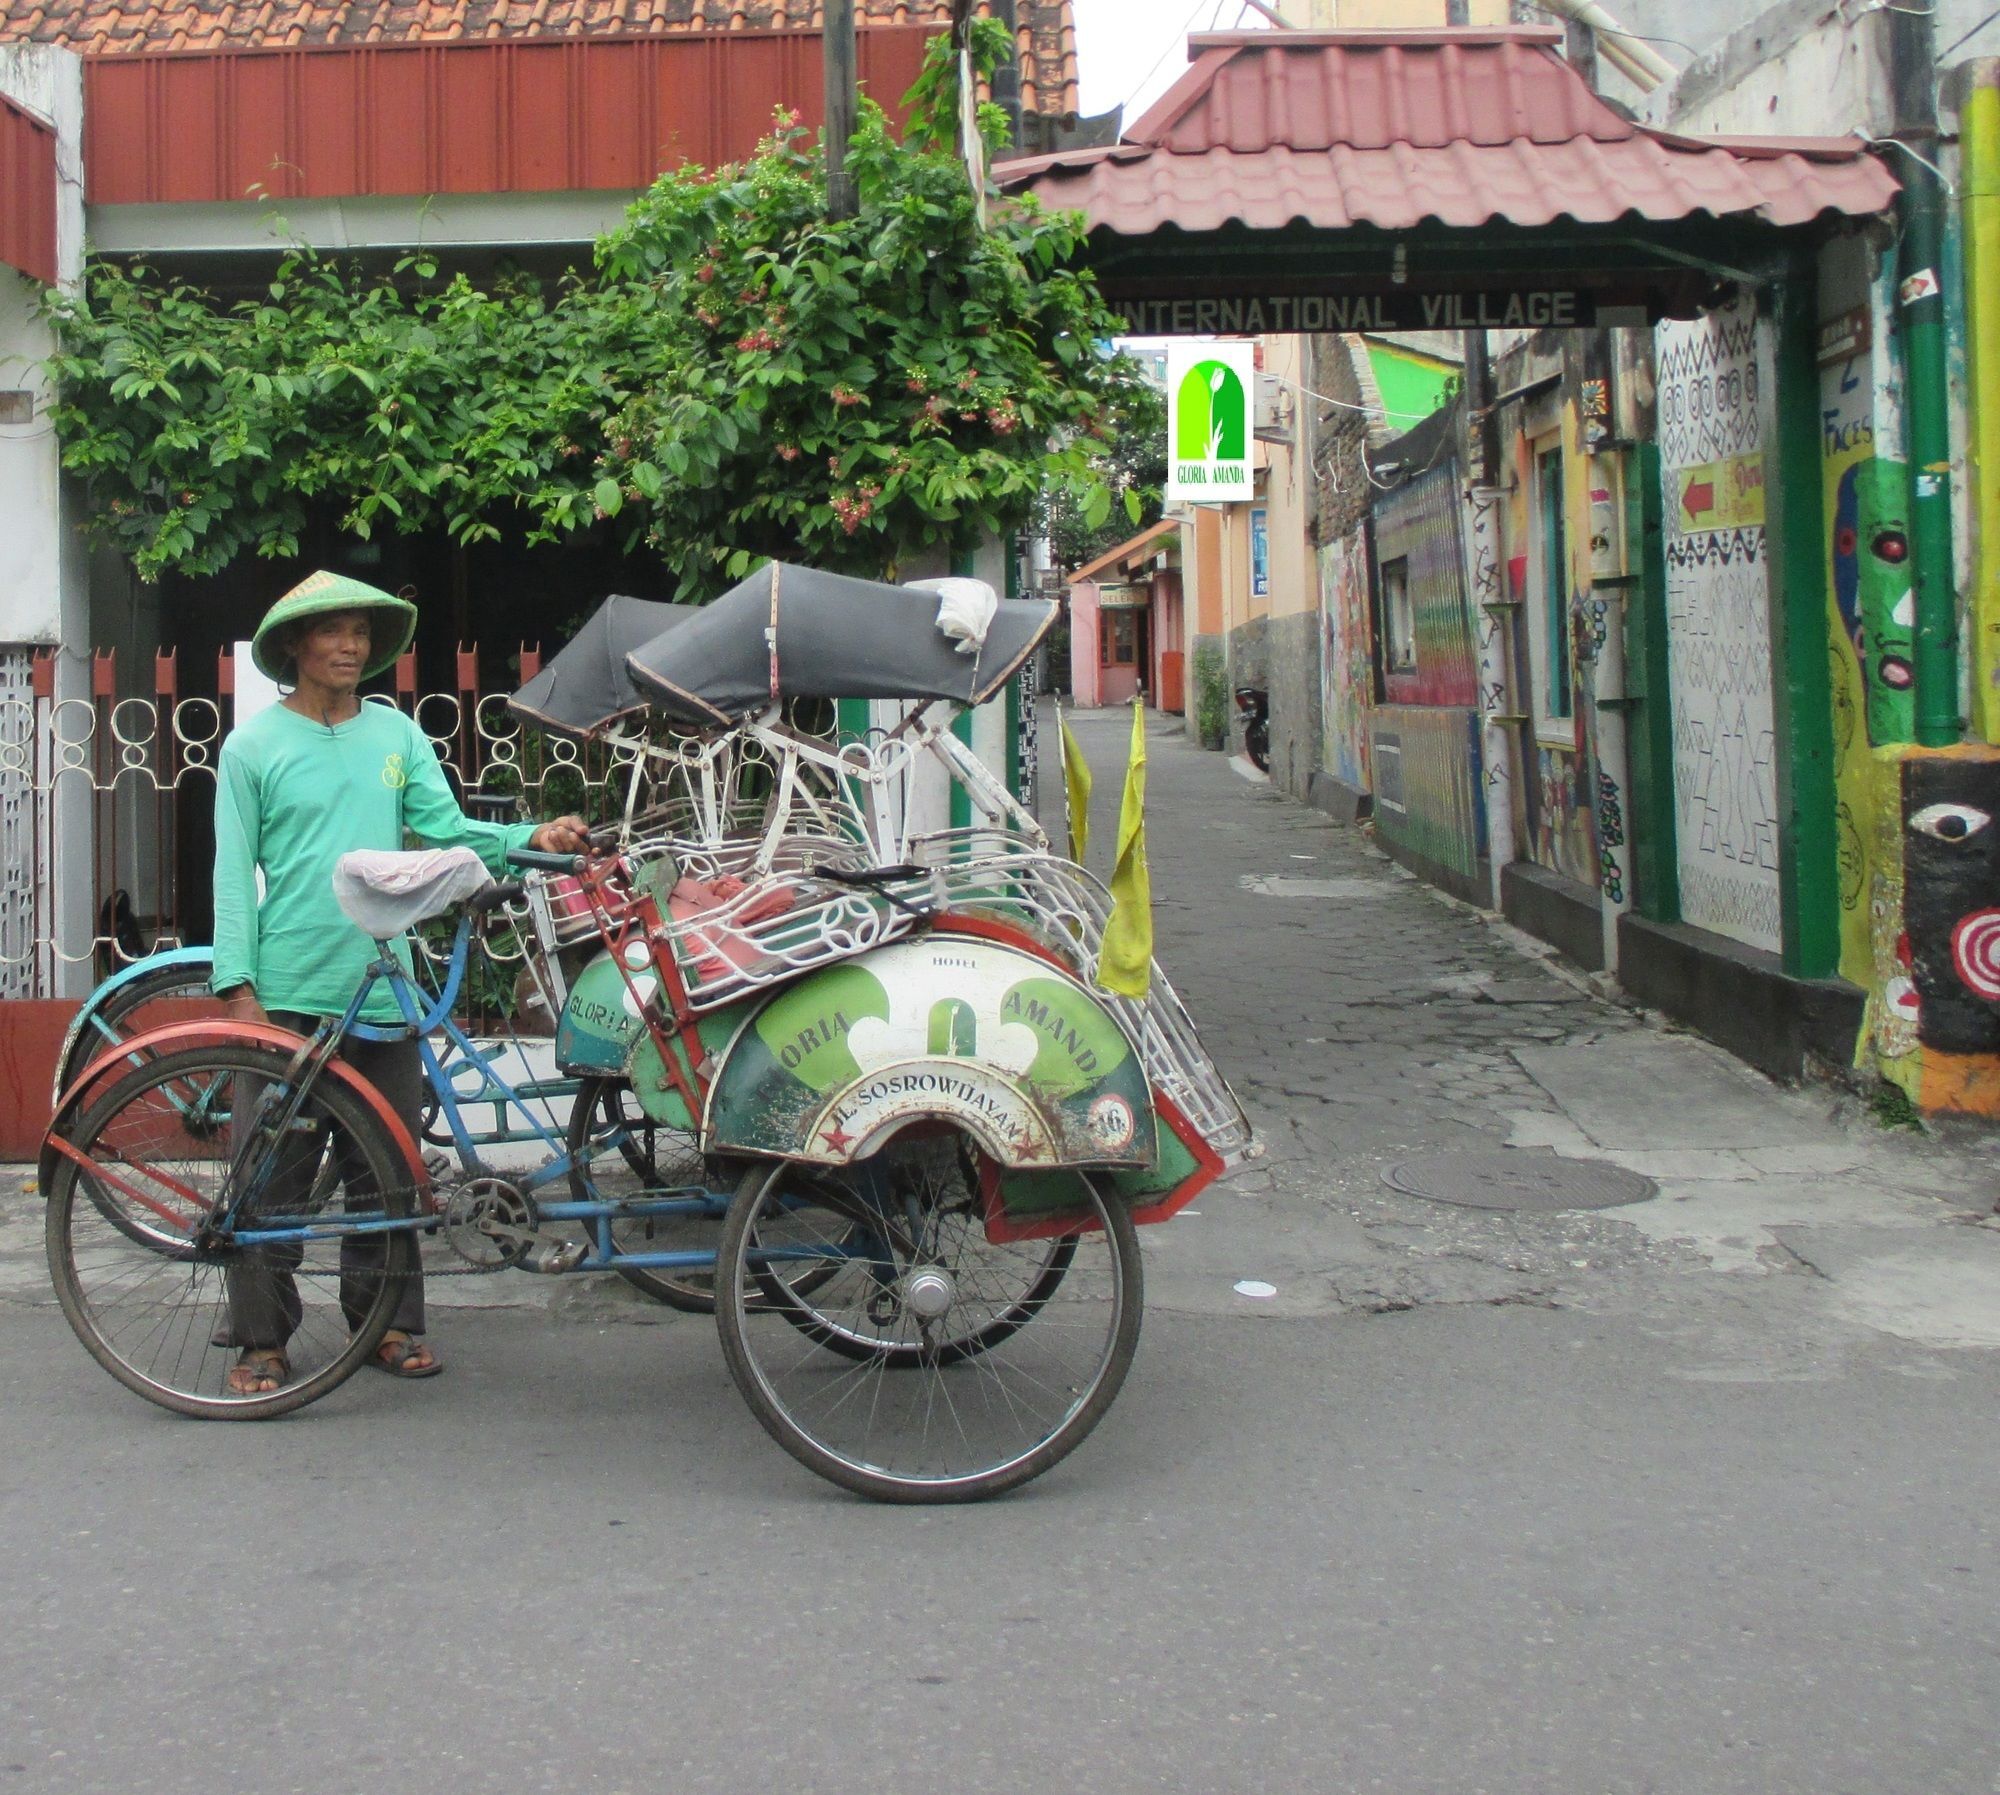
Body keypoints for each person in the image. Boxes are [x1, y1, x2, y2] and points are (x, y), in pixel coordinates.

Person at [212, 570, 588, 1396]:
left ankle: (386, 1325)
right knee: (270, 1172)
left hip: (383, 981)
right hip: (290, 984)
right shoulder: (253, 748)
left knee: (384, 1167)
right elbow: (234, 872)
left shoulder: (396, 737)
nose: (348, 646)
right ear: (295, 648)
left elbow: (447, 830)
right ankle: (262, 1340)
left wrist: (532, 832)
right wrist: (239, 986)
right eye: (330, 632)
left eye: (358, 633)